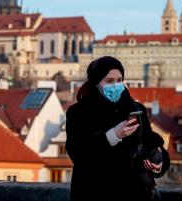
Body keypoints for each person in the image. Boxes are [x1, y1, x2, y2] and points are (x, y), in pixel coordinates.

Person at [66, 56, 170, 201]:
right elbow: (78, 154)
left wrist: (158, 161)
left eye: (119, 80)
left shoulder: (135, 109)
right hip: (94, 193)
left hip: (135, 194)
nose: (115, 85)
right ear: (96, 83)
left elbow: (148, 143)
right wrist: (113, 135)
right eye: (109, 81)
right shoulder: (78, 113)